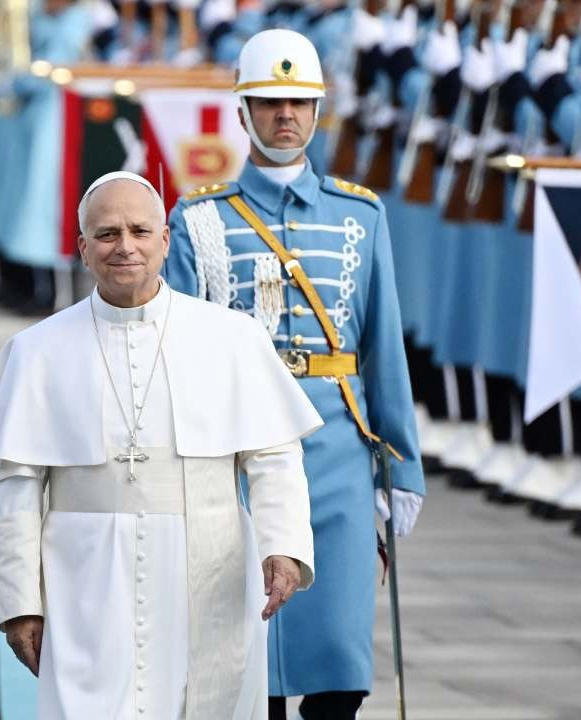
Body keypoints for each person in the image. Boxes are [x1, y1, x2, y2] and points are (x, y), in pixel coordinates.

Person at [0, 171, 323, 719]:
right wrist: (19, 603)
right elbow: (13, 492)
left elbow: (274, 458)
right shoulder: (34, 352)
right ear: (83, 248)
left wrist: (285, 548)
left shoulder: (232, 337)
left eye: (139, 230)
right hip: (84, 580)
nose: (125, 246)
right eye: (107, 234)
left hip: (211, 567)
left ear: (165, 240)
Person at [165, 29, 426, 720]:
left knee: (341, 668)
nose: (287, 116)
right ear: (243, 110)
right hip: (237, 456)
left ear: (319, 110)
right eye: (271, 102)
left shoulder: (360, 215)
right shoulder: (198, 219)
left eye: (301, 103)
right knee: (253, 673)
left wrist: (400, 467)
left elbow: (382, 351)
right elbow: (177, 354)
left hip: (337, 455)